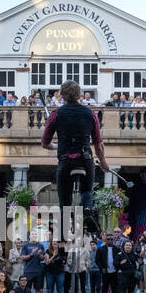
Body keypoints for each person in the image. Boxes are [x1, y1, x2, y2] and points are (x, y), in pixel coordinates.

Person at [39, 80, 110, 232]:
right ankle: (87, 210)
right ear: (79, 94)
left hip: (65, 160)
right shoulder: (90, 113)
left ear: (62, 95)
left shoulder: (56, 114)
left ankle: (64, 234)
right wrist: (103, 162)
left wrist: (57, 146)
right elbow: (98, 144)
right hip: (85, 158)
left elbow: (45, 143)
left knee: (64, 200)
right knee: (87, 190)